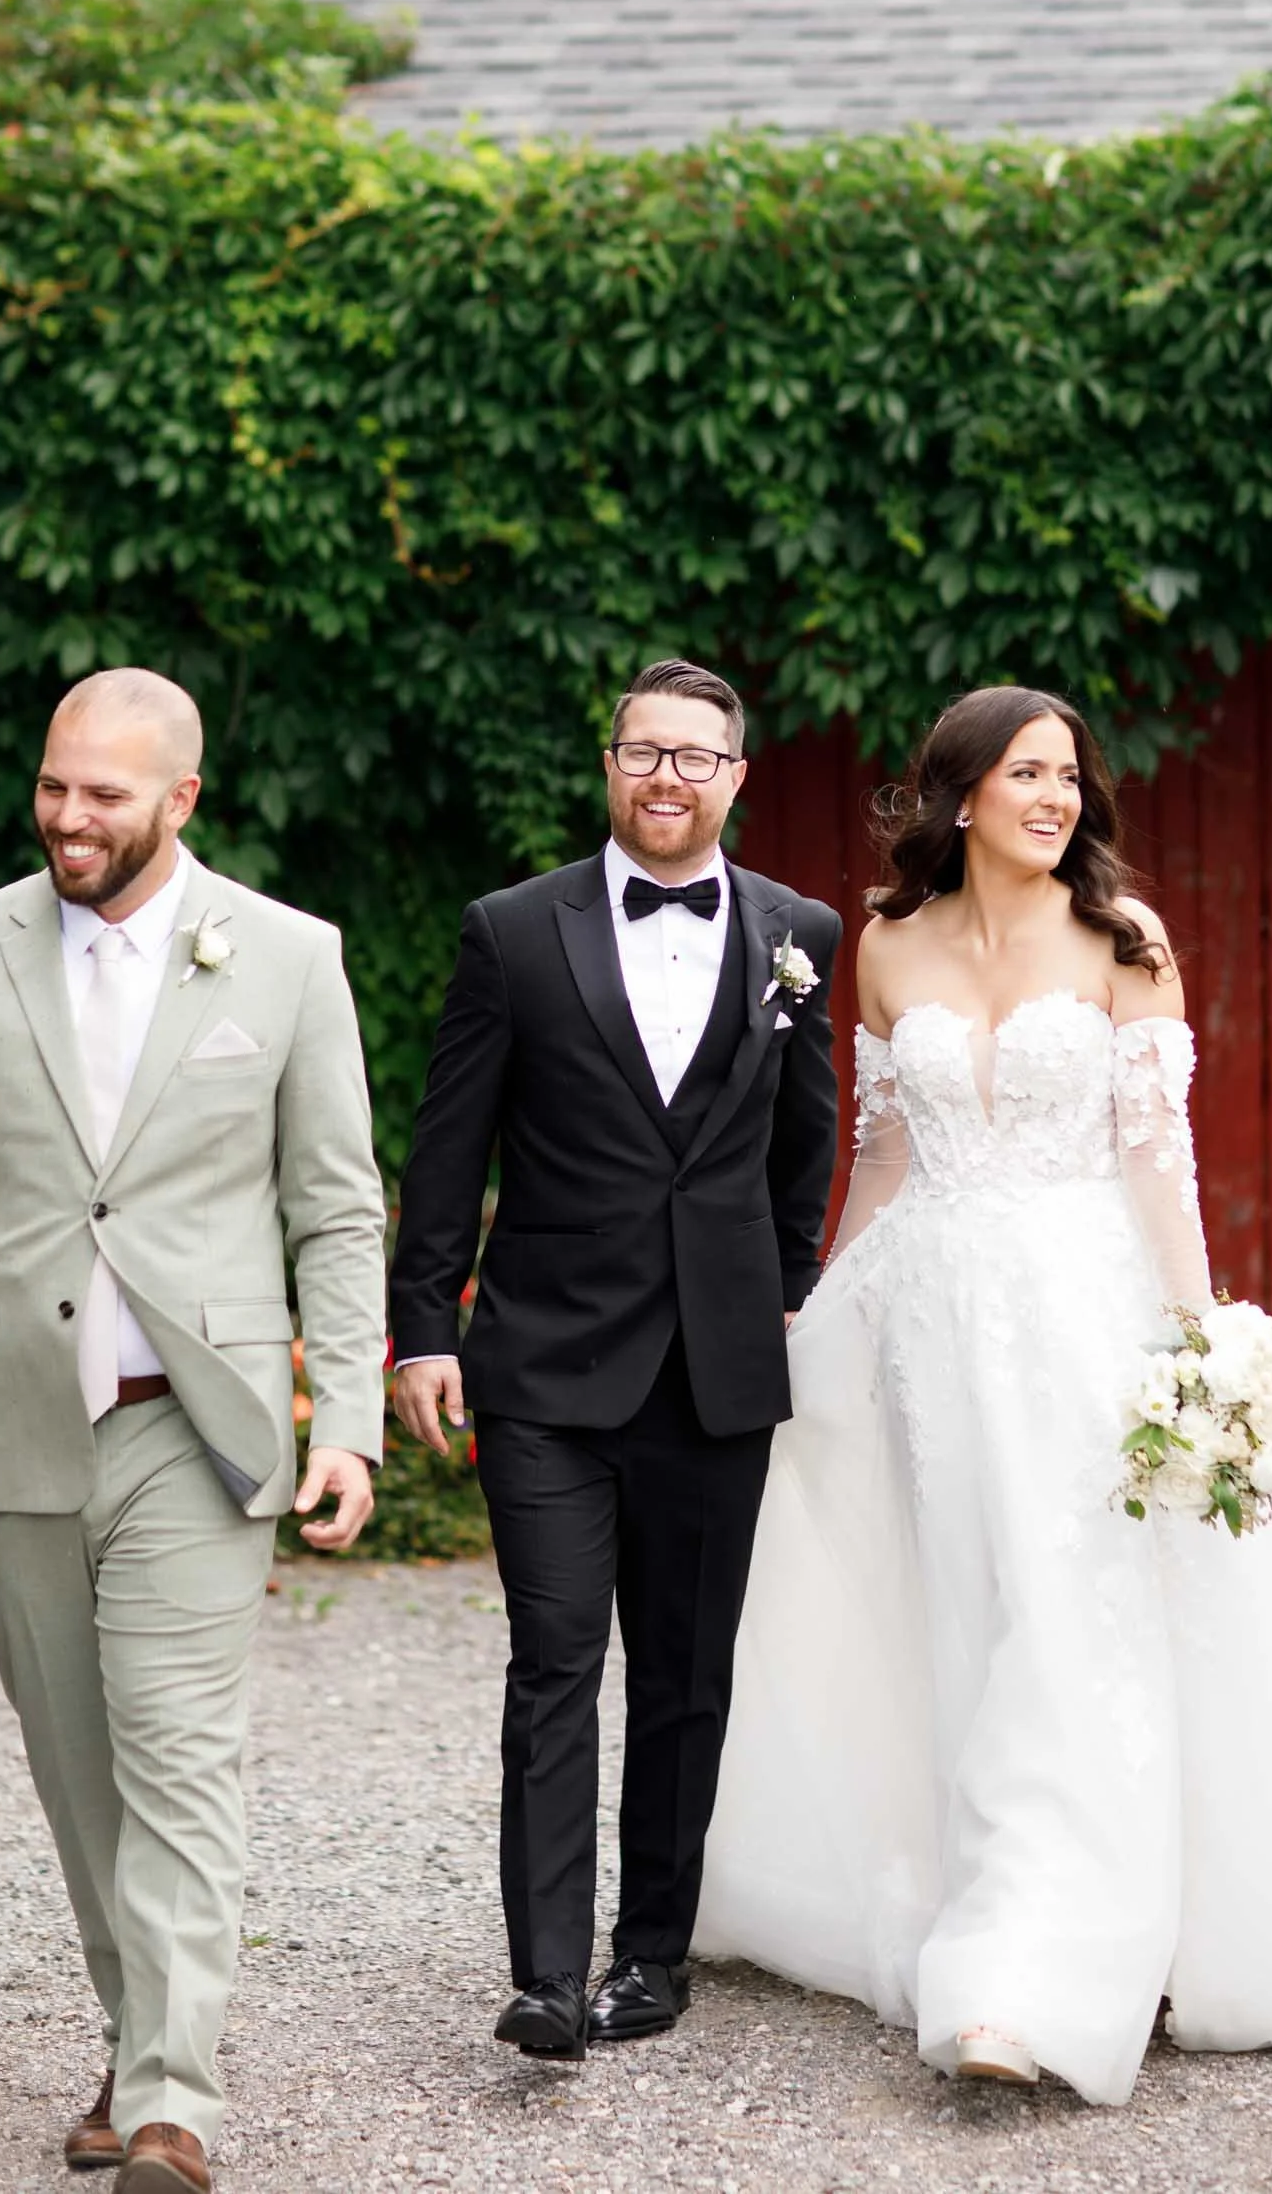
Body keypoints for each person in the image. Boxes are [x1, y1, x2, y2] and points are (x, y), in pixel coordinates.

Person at [694, 684, 1272, 2105]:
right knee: (950, 1606)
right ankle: (959, 1880)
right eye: (1025, 774)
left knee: (1064, 1611)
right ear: (956, 794)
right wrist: (817, 1323)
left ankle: (1031, 1972)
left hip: (1077, 1319)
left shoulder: (1122, 941)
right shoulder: (886, 947)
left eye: (1069, 778)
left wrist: (1201, 1342)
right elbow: (885, 1161)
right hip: (921, 1324)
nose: (1054, 798)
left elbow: (1160, 1164)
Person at [0, 669, 387, 2192]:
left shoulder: (288, 957)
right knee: (77, 1773)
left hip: (198, 1429)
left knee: (181, 1759)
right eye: (56, 785)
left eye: (105, 795)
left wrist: (351, 1421)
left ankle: (171, 2104)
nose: (70, 817)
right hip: (10, 1427)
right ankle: (137, 2036)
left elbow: (334, 1205)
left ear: (181, 800)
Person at [388, 658, 841, 2062]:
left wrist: (775, 1292)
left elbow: (804, 1144)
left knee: (687, 1673)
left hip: (714, 1373)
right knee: (555, 1657)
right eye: (644, 752)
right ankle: (542, 1974)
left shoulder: (796, 933)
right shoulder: (513, 932)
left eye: (695, 758)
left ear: (734, 777)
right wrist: (422, 1326)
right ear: (609, 764)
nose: (666, 777)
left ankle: (649, 1953)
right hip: (542, 1365)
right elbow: (450, 1140)